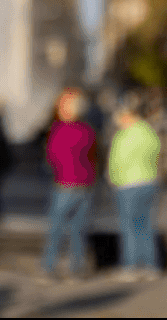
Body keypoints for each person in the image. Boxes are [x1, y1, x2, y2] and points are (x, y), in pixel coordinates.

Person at [41, 88, 98, 281]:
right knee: (78, 230)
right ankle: (77, 268)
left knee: (57, 228)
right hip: (85, 184)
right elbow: (94, 155)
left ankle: (49, 267)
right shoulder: (87, 130)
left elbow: (52, 158)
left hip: (65, 184)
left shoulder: (59, 130)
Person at [108, 98, 162, 281]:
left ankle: (131, 266)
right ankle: (151, 265)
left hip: (128, 184)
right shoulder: (148, 132)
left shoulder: (123, 136)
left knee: (129, 227)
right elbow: (156, 153)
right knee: (146, 226)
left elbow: (117, 160)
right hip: (149, 181)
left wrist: (114, 179)